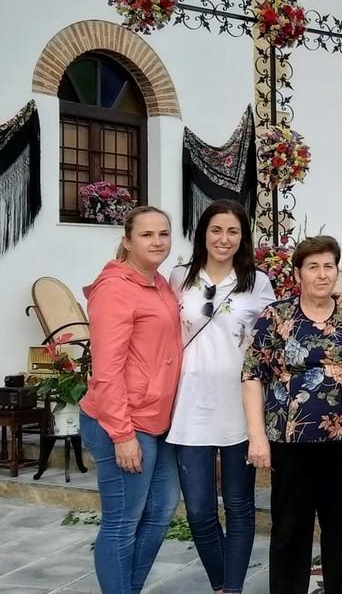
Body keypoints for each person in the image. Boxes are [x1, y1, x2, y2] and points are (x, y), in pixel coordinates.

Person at [242, 235, 342, 594]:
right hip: (290, 442)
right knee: (290, 530)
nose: (322, 274)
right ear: (298, 273)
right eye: (313, 267)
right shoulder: (276, 316)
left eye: (329, 266)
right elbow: (252, 375)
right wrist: (257, 436)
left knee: (341, 529)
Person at [166, 200, 275, 594]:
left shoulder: (257, 282)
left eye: (232, 231)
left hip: (240, 404)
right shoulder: (179, 278)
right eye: (216, 230)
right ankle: (221, 584)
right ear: (203, 234)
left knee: (240, 506)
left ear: (242, 237)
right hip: (189, 403)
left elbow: (271, 341)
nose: (224, 239)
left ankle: (231, 589)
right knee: (198, 510)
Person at [79, 206, 183, 594]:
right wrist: (122, 434)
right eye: (147, 235)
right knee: (122, 522)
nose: (157, 241)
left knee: (160, 513)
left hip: (156, 420)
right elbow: (106, 370)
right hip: (122, 421)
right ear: (127, 240)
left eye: (163, 234)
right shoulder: (115, 289)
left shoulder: (158, 282)